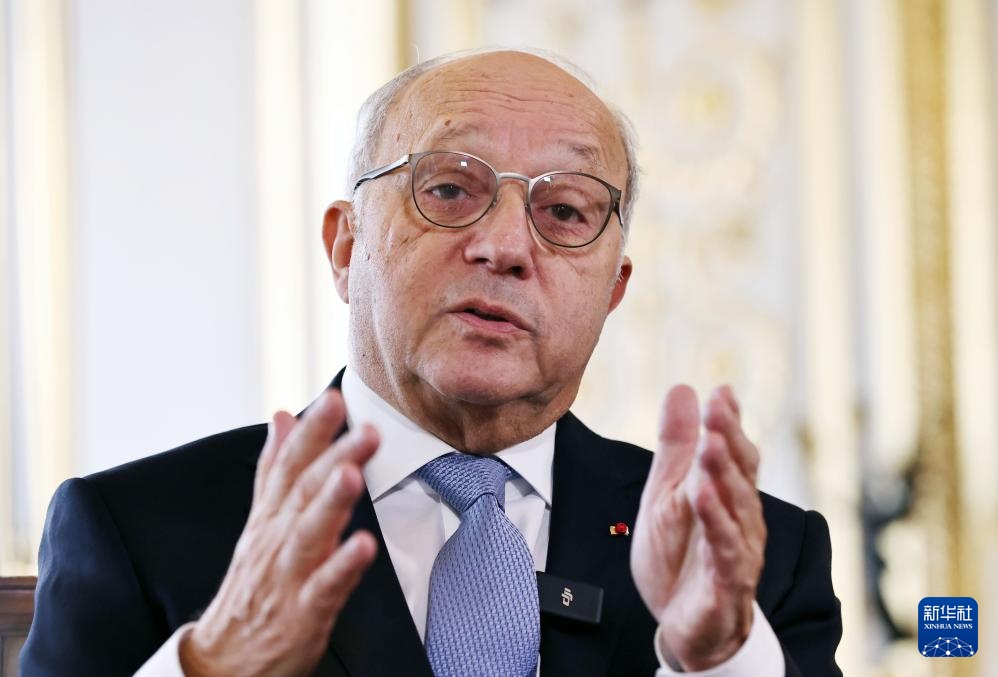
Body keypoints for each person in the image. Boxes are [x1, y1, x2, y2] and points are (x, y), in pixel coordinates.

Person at [21, 48, 841, 676]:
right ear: (346, 247)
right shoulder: (138, 531)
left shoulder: (749, 566)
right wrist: (210, 665)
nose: (505, 246)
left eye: (564, 210)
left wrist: (718, 658)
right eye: (449, 190)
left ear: (613, 289)